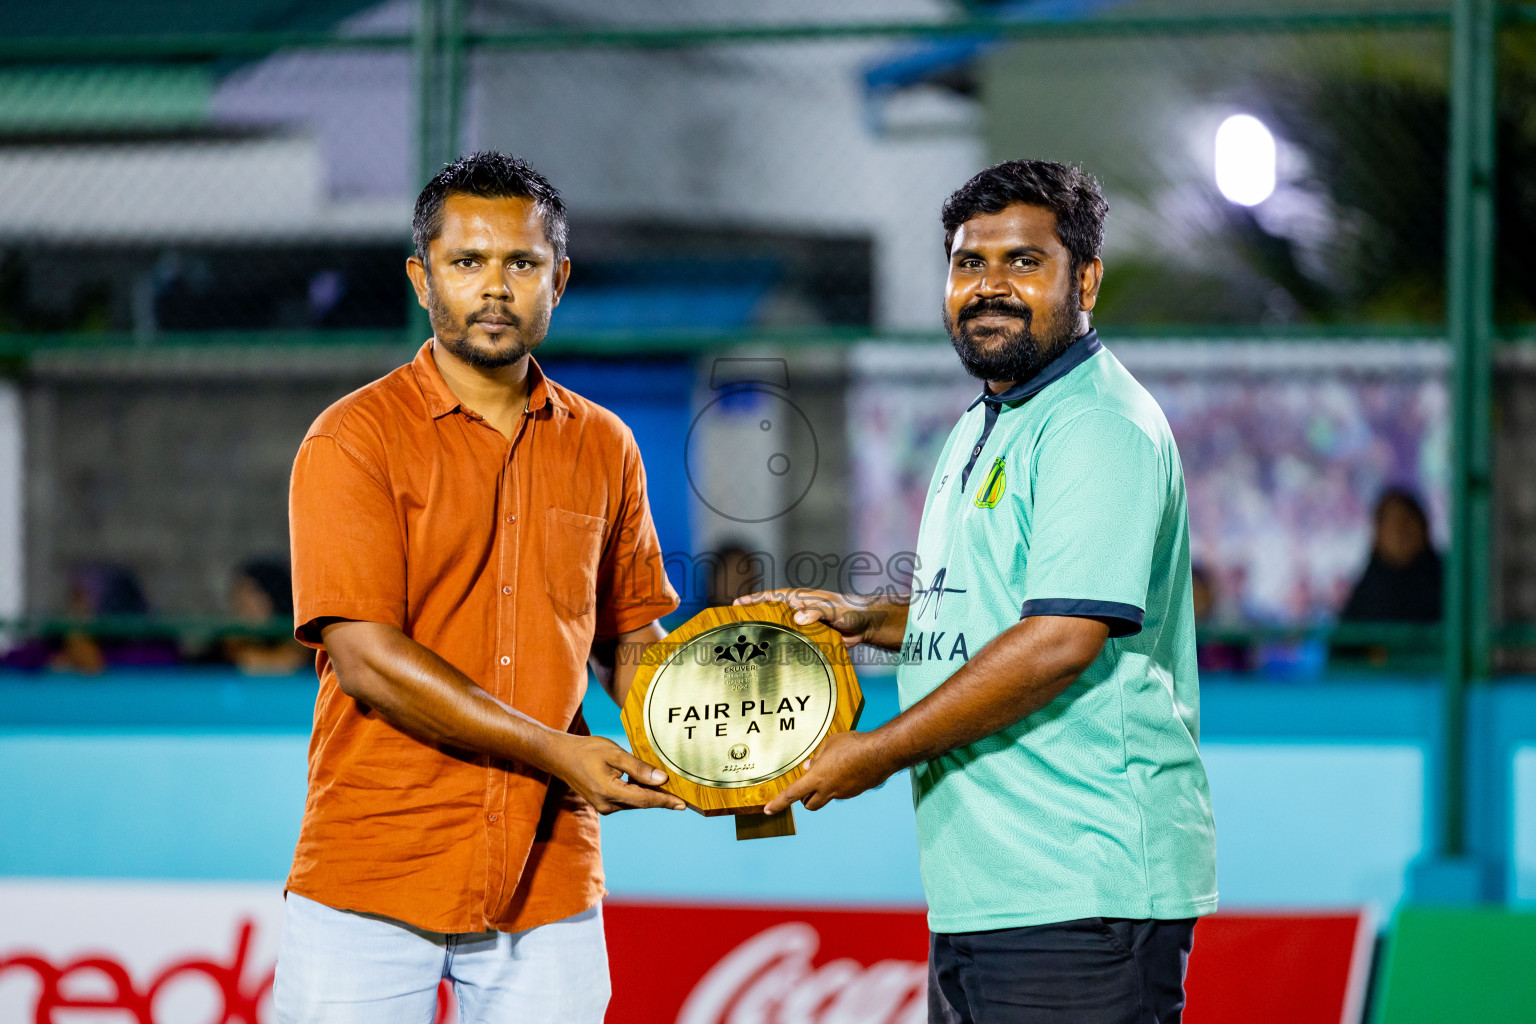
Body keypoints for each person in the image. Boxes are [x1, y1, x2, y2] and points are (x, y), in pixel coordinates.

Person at [741, 160, 1217, 1023]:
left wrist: (875, 752)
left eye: (1024, 262)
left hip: (1081, 890)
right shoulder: (989, 420)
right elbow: (992, 610)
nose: (989, 287)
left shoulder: (1094, 424)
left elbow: (1061, 638)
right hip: (991, 890)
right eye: (969, 263)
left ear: (1087, 278)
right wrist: (867, 620)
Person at [274, 152, 684, 1024]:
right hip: (377, 867)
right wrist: (559, 752)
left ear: (558, 279)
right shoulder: (353, 441)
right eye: (468, 262)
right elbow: (368, 661)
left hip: (549, 876)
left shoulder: (605, 446)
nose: (495, 287)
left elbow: (629, 641)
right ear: (424, 280)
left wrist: (723, 730)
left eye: (522, 263)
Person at [1339, 487, 1443, 623]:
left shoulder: (1446, 583)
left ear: (1422, 527)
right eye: (1391, 524)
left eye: (1406, 522)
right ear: (1378, 533)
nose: (1399, 533)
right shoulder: (1366, 594)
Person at [220, 557, 310, 674]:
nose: (243, 603)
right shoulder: (225, 647)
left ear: (274, 595)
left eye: (254, 592)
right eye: (239, 595)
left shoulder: (307, 643)